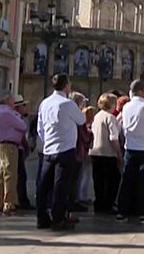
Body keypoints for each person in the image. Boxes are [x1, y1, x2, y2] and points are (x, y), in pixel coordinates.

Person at [37, 74, 85, 231]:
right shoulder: (68, 104)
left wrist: (48, 141)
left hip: (48, 149)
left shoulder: (44, 103)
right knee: (60, 187)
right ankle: (58, 219)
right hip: (65, 149)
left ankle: (41, 218)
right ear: (66, 86)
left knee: (44, 186)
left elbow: (40, 128)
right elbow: (81, 120)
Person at [116, 79, 144, 222]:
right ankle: (142, 211)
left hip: (130, 147)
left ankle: (123, 210)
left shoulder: (126, 107)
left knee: (127, 181)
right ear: (143, 91)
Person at [0, 92, 28, 216]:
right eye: (13, 100)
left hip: (2, 144)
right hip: (10, 146)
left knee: (2, 174)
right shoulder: (8, 113)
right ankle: (9, 203)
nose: (14, 102)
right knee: (11, 175)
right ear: (8, 101)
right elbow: (23, 126)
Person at [90, 93, 123, 214]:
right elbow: (113, 138)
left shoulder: (97, 116)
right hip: (107, 153)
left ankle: (98, 204)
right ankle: (108, 204)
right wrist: (119, 154)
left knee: (98, 181)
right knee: (113, 180)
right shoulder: (110, 118)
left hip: (95, 152)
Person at [13, 95, 35, 210]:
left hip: (18, 148)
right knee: (21, 176)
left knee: (20, 176)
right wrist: (27, 146)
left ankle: (18, 199)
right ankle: (21, 201)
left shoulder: (19, 117)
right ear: (18, 107)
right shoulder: (17, 118)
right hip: (18, 148)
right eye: (23, 105)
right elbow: (21, 135)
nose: (25, 108)